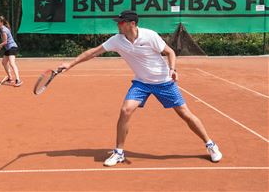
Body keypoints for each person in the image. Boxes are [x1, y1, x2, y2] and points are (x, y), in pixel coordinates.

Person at [59, 10, 222, 166]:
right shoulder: (117, 40)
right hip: (141, 83)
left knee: (185, 114)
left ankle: (210, 144)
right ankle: (119, 152)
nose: (118, 25)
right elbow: (93, 52)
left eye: (121, 22)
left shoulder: (150, 36)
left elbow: (170, 52)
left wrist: (173, 69)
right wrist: (70, 64)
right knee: (125, 110)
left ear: (132, 24)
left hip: (164, 82)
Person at [0, 15, 23, 87]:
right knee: (4, 62)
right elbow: (4, 43)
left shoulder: (4, 30)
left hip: (12, 47)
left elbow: (5, 42)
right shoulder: (1, 30)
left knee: (12, 63)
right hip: (8, 48)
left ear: (1, 22)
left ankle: (18, 80)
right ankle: (10, 78)